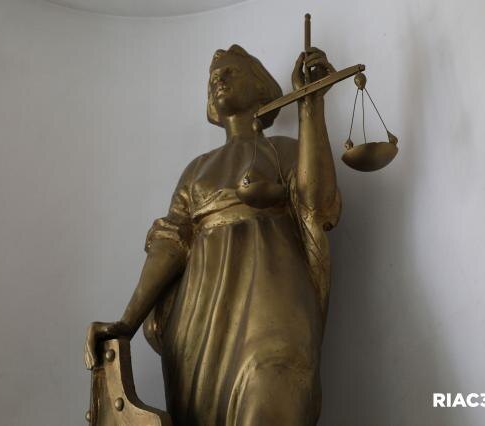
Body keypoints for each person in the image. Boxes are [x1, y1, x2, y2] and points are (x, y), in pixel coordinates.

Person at [85, 44, 340, 426]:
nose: (218, 80)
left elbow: (319, 205)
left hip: (275, 299)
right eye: (212, 78)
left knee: (275, 383)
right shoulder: (197, 171)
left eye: (230, 72)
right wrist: (127, 323)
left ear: (259, 85)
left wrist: (311, 107)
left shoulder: (284, 150)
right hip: (201, 317)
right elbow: (170, 245)